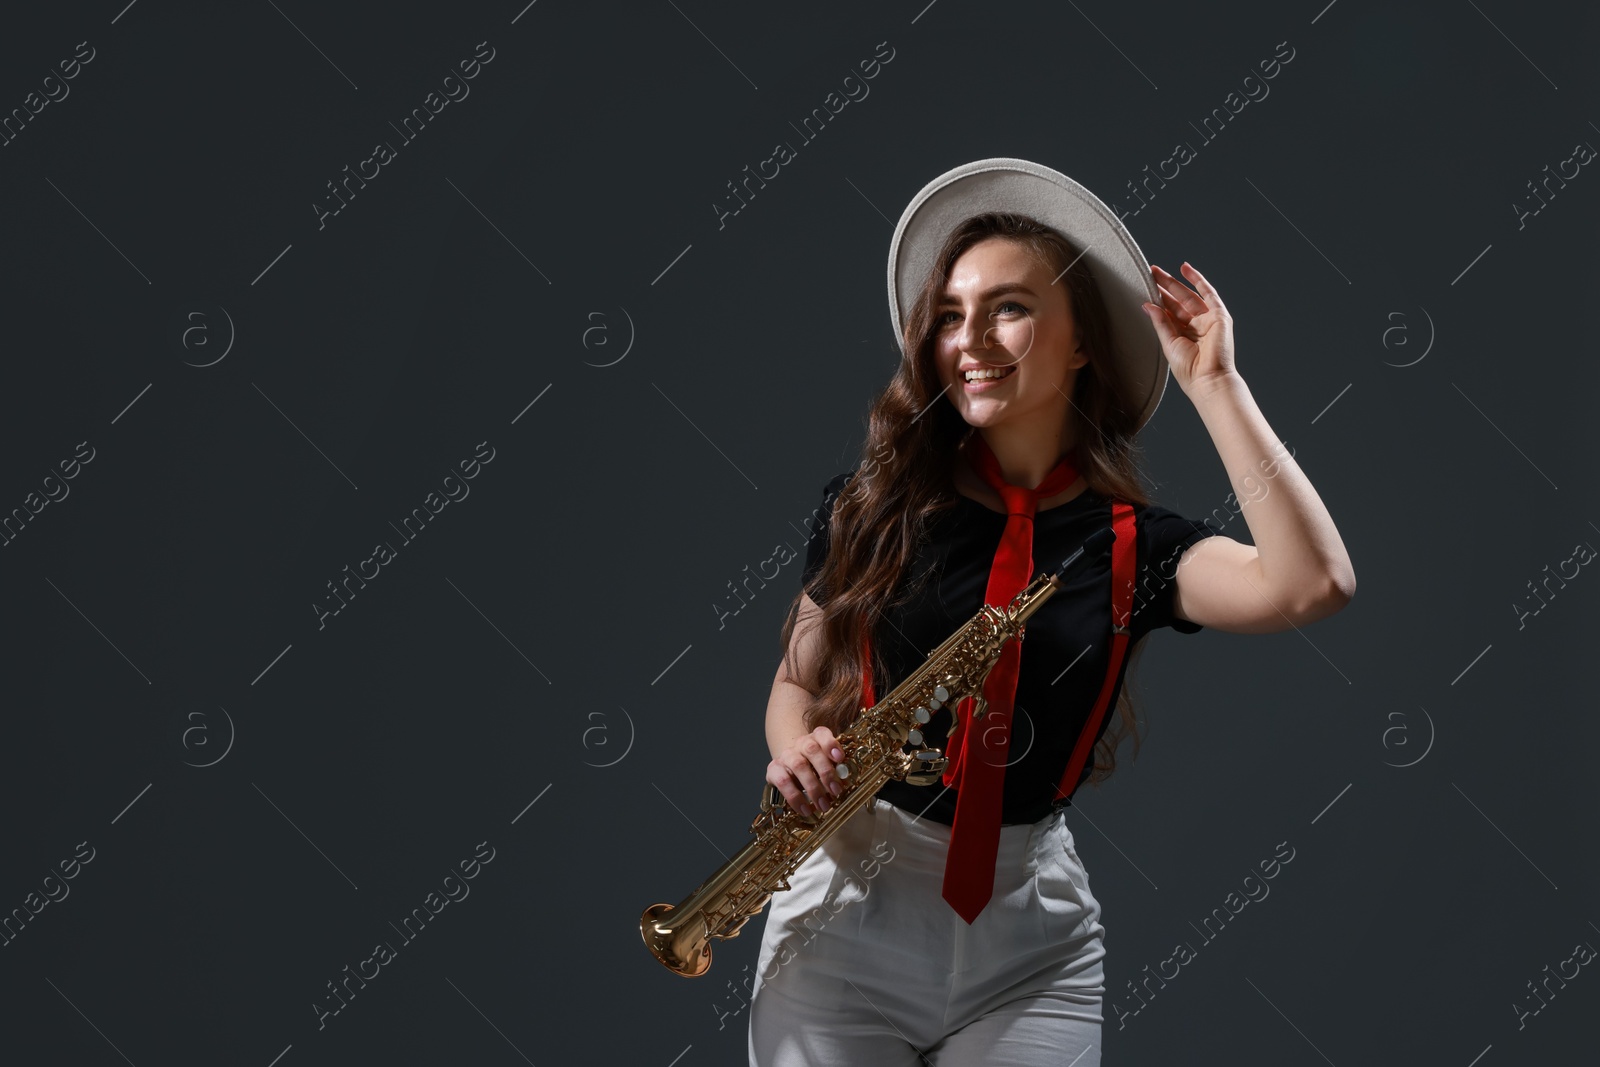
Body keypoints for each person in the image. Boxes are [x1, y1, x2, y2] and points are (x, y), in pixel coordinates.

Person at [746, 159, 1355, 1066]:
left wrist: (1216, 386)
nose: (972, 339)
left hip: (1031, 943)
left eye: (1009, 307)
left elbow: (1312, 583)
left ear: (1081, 341)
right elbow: (796, 679)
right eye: (950, 314)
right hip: (842, 917)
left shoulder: (1135, 546)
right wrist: (792, 745)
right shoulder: (871, 505)